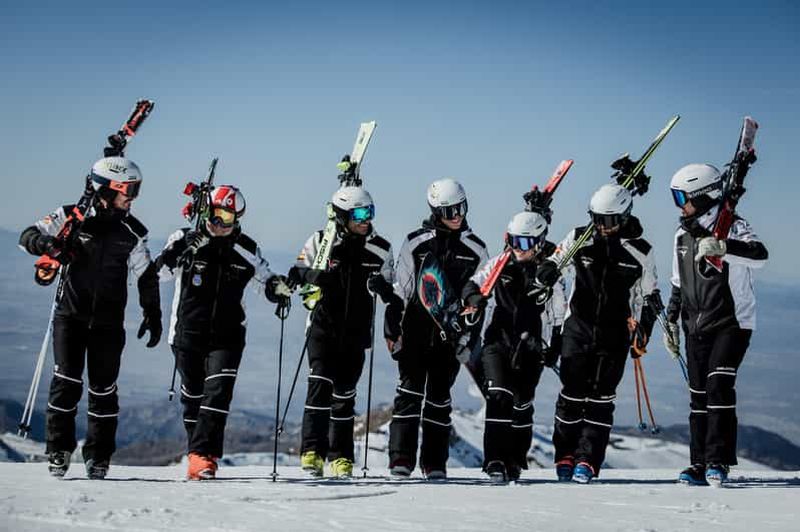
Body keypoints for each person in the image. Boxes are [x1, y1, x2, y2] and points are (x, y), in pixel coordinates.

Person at [19, 156, 162, 479]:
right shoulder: (70, 217)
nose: (133, 197)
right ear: (107, 188)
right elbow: (27, 235)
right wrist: (48, 245)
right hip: (70, 316)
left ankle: (98, 457)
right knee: (66, 382)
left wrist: (152, 313)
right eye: (129, 189)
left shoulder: (132, 231)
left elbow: (146, 275)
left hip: (108, 324)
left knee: (103, 389)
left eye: (136, 189)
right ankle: (59, 450)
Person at [155, 184, 289, 480]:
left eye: (227, 218)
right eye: (216, 215)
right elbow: (159, 273)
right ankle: (198, 453)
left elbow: (264, 280)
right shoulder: (184, 238)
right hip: (187, 333)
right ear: (206, 211)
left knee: (217, 394)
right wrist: (182, 247)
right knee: (193, 396)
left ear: (237, 219)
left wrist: (278, 289)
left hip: (228, 336)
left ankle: (202, 456)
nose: (219, 223)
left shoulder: (246, 249)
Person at [536, 183, 657, 484]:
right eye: (597, 219)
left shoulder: (641, 252)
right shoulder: (580, 238)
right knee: (572, 394)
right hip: (577, 327)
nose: (602, 227)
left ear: (625, 216)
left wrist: (643, 332)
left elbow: (648, 296)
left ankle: (588, 460)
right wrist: (547, 271)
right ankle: (565, 453)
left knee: (601, 399)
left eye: (609, 221)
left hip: (614, 334)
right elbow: (556, 262)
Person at [666, 163, 768, 487]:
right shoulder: (681, 236)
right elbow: (678, 283)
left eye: (683, 197)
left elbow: (759, 255)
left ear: (704, 195)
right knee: (697, 395)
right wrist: (670, 320)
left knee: (718, 387)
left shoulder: (734, 227)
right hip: (694, 324)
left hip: (732, 322)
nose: (679, 205)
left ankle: (718, 460)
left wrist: (725, 247)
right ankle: (698, 463)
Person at [287, 186, 394, 478]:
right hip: (323, 328)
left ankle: (341, 457)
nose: (366, 220)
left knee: (345, 395)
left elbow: (392, 292)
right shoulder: (322, 241)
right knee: (319, 387)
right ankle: (312, 452)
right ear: (342, 215)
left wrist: (383, 289)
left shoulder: (380, 248)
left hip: (357, 334)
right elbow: (296, 272)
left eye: (370, 213)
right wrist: (315, 276)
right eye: (359, 214)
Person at [385, 178, 489, 480]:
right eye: (448, 211)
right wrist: (393, 329)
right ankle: (401, 460)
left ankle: (434, 463)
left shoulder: (476, 249)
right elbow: (400, 288)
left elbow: (483, 295)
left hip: (450, 336)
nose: (456, 215)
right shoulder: (416, 242)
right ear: (435, 211)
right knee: (408, 393)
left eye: (461, 208)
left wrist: (470, 334)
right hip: (416, 331)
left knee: (439, 399)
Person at [462, 211, 566, 482]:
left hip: (531, 346)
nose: (516, 248)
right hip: (497, 340)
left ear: (539, 243)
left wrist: (555, 343)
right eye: (512, 240)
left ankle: (515, 459)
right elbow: (476, 282)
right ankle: (494, 460)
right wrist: (474, 297)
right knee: (498, 396)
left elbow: (559, 310)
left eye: (523, 243)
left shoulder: (549, 273)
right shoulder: (501, 263)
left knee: (521, 403)